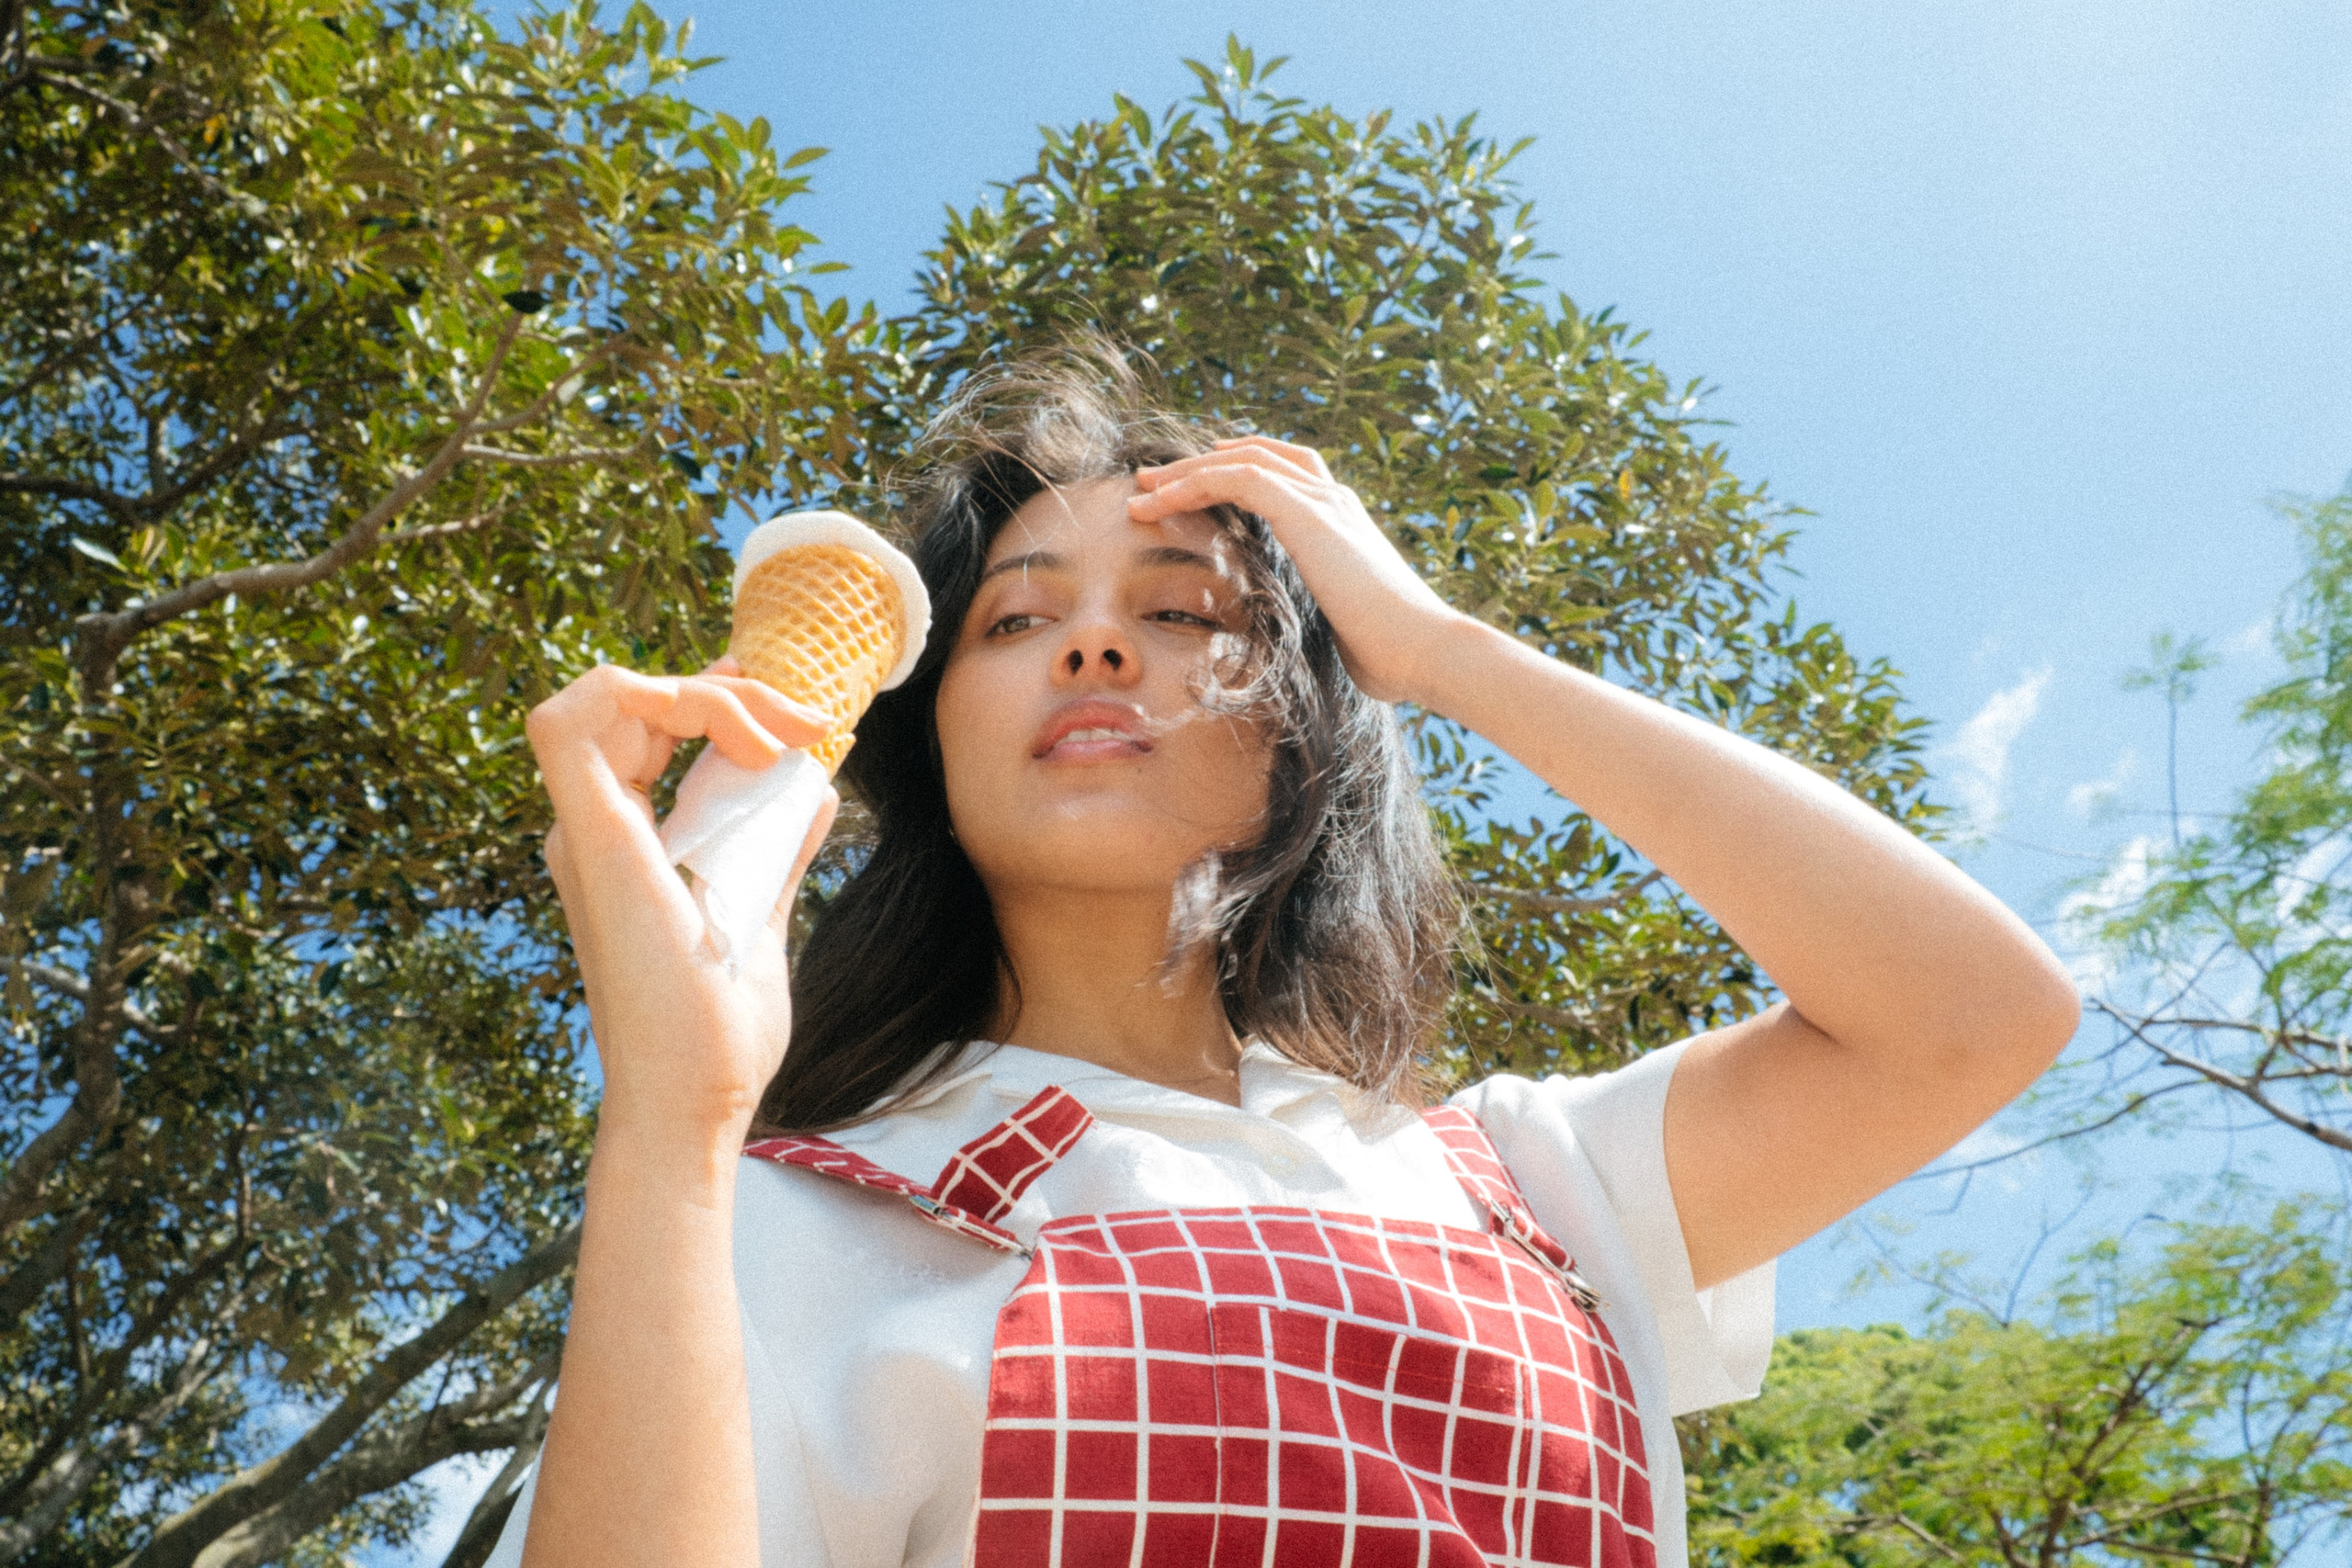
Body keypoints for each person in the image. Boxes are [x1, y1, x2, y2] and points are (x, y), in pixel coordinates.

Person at [492, 344, 2078, 1568]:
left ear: (1306, 741)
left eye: (1185, 610)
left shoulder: (1526, 1180)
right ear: (932, 757)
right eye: (1012, 622)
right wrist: (675, 1120)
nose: (1096, 645)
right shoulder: (771, 1210)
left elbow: (1970, 1016)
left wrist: (1441, 649)